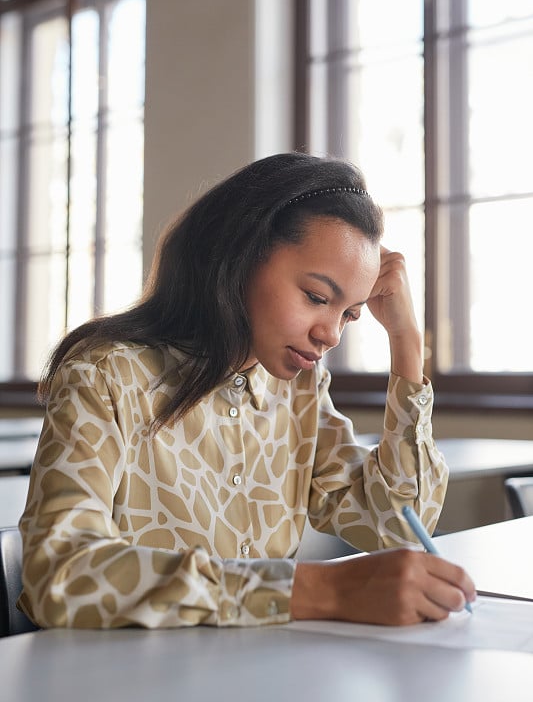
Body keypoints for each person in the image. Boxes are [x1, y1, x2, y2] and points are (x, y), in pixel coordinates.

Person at [19, 152, 476, 630]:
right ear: (241, 255)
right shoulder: (106, 374)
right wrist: (315, 590)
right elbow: (60, 573)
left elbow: (397, 527)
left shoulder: (298, 387)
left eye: (349, 314)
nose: (331, 335)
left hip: (258, 671)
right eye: (317, 298)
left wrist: (406, 343)